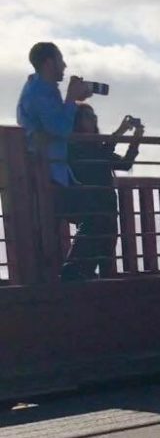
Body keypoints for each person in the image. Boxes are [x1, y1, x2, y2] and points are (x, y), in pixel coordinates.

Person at [16, 41, 97, 280]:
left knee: (72, 219)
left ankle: (66, 272)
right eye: (61, 60)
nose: (65, 66)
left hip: (54, 172)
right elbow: (59, 128)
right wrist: (72, 98)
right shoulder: (39, 93)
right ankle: (70, 273)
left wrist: (70, 99)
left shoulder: (45, 90)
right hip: (46, 173)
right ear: (49, 62)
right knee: (93, 215)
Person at [66, 104, 144, 278]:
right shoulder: (74, 145)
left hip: (107, 205)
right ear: (77, 121)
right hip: (91, 207)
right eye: (87, 116)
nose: (93, 119)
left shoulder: (97, 147)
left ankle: (100, 291)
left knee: (106, 251)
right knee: (86, 251)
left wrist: (136, 138)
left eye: (94, 116)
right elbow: (99, 155)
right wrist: (121, 131)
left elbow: (125, 164)